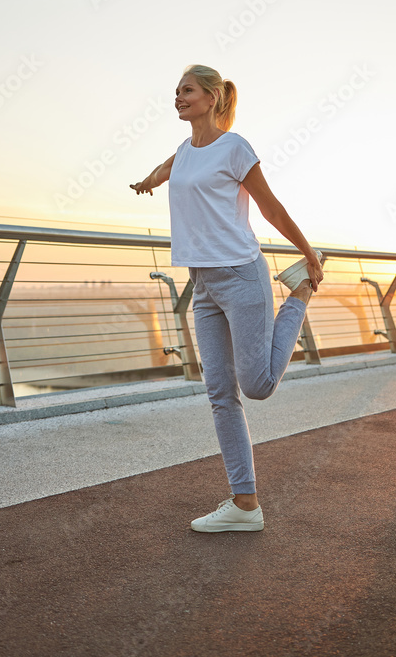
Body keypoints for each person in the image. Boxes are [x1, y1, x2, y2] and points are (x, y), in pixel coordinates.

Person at [130, 63, 323, 532]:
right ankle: (245, 505)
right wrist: (148, 181)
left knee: (256, 385)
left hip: (240, 274)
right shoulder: (183, 150)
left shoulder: (235, 147)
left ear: (213, 97)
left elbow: (270, 206)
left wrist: (306, 253)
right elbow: (167, 167)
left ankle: (298, 294)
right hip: (204, 283)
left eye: (188, 91)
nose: (178, 97)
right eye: (176, 91)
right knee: (219, 393)